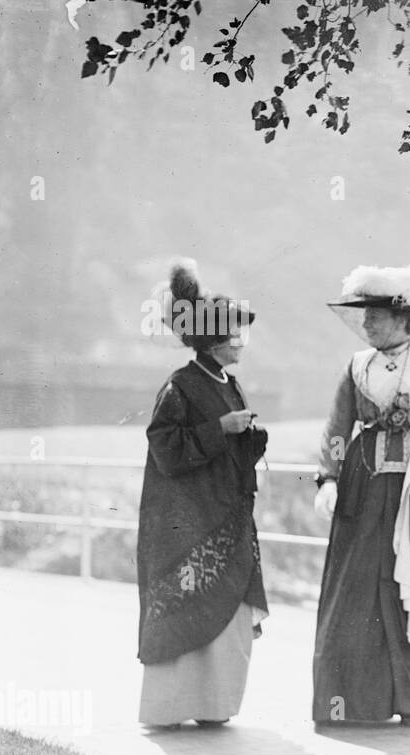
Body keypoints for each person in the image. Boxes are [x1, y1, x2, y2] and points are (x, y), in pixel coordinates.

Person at [311, 253, 410, 728]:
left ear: (405, 319)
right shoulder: (357, 366)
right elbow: (338, 429)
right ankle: (347, 702)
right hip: (363, 490)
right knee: (355, 588)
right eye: (364, 316)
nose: (368, 325)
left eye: (377, 317)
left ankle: (409, 702)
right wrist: (329, 479)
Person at [137, 259, 268, 728]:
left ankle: (214, 706)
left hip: (226, 515)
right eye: (233, 333)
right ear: (212, 339)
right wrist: (220, 429)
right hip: (187, 521)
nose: (239, 342)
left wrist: (249, 435)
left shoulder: (228, 384)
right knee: (187, 607)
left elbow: (231, 449)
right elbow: (165, 447)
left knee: (226, 613)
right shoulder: (180, 385)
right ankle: (171, 709)